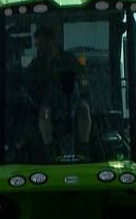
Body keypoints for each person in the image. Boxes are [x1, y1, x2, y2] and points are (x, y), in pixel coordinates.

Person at [27, 24, 91, 159]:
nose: (40, 48)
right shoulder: (36, 65)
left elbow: (83, 78)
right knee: (44, 113)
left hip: (73, 100)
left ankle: (84, 147)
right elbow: (28, 85)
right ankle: (49, 150)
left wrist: (80, 80)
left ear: (52, 41)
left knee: (84, 109)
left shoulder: (69, 59)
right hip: (49, 103)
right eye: (38, 45)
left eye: (42, 44)